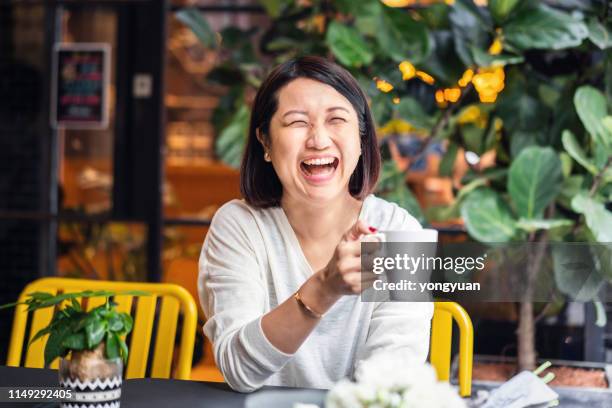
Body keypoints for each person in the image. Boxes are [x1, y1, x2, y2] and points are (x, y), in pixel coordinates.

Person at [198, 56, 433, 392]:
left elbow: (392, 377)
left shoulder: (399, 231)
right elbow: (239, 370)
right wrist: (324, 289)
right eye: (297, 122)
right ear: (265, 142)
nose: (318, 140)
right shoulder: (239, 227)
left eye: (336, 119)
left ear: (361, 137)